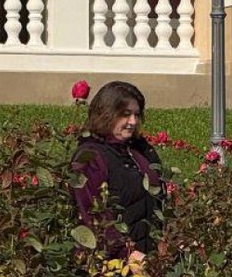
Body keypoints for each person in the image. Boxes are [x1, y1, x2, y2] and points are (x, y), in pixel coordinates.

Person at [71, 81, 167, 258]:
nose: (132, 122)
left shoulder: (140, 150)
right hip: (114, 266)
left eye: (136, 115)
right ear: (106, 114)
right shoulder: (91, 156)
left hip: (149, 258)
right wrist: (127, 253)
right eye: (125, 115)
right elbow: (93, 213)